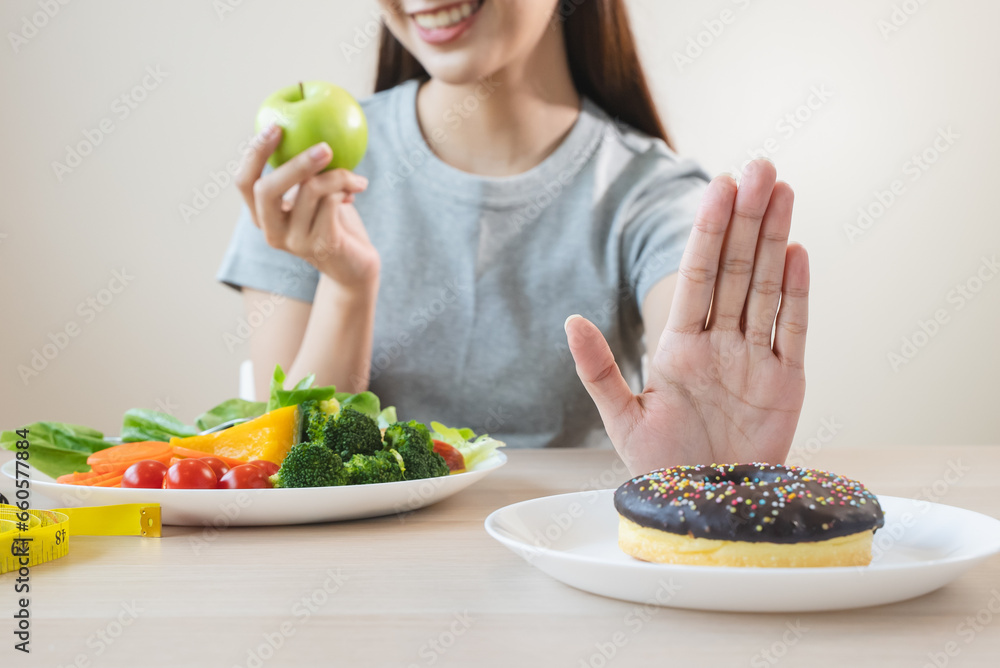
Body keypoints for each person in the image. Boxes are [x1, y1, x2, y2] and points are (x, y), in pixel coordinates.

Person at [218, 0, 809, 475]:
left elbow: (696, 358)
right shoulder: (309, 175)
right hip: (360, 584)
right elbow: (286, 462)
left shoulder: (652, 194)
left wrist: (710, 468)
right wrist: (348, 287)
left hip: (565, 575)